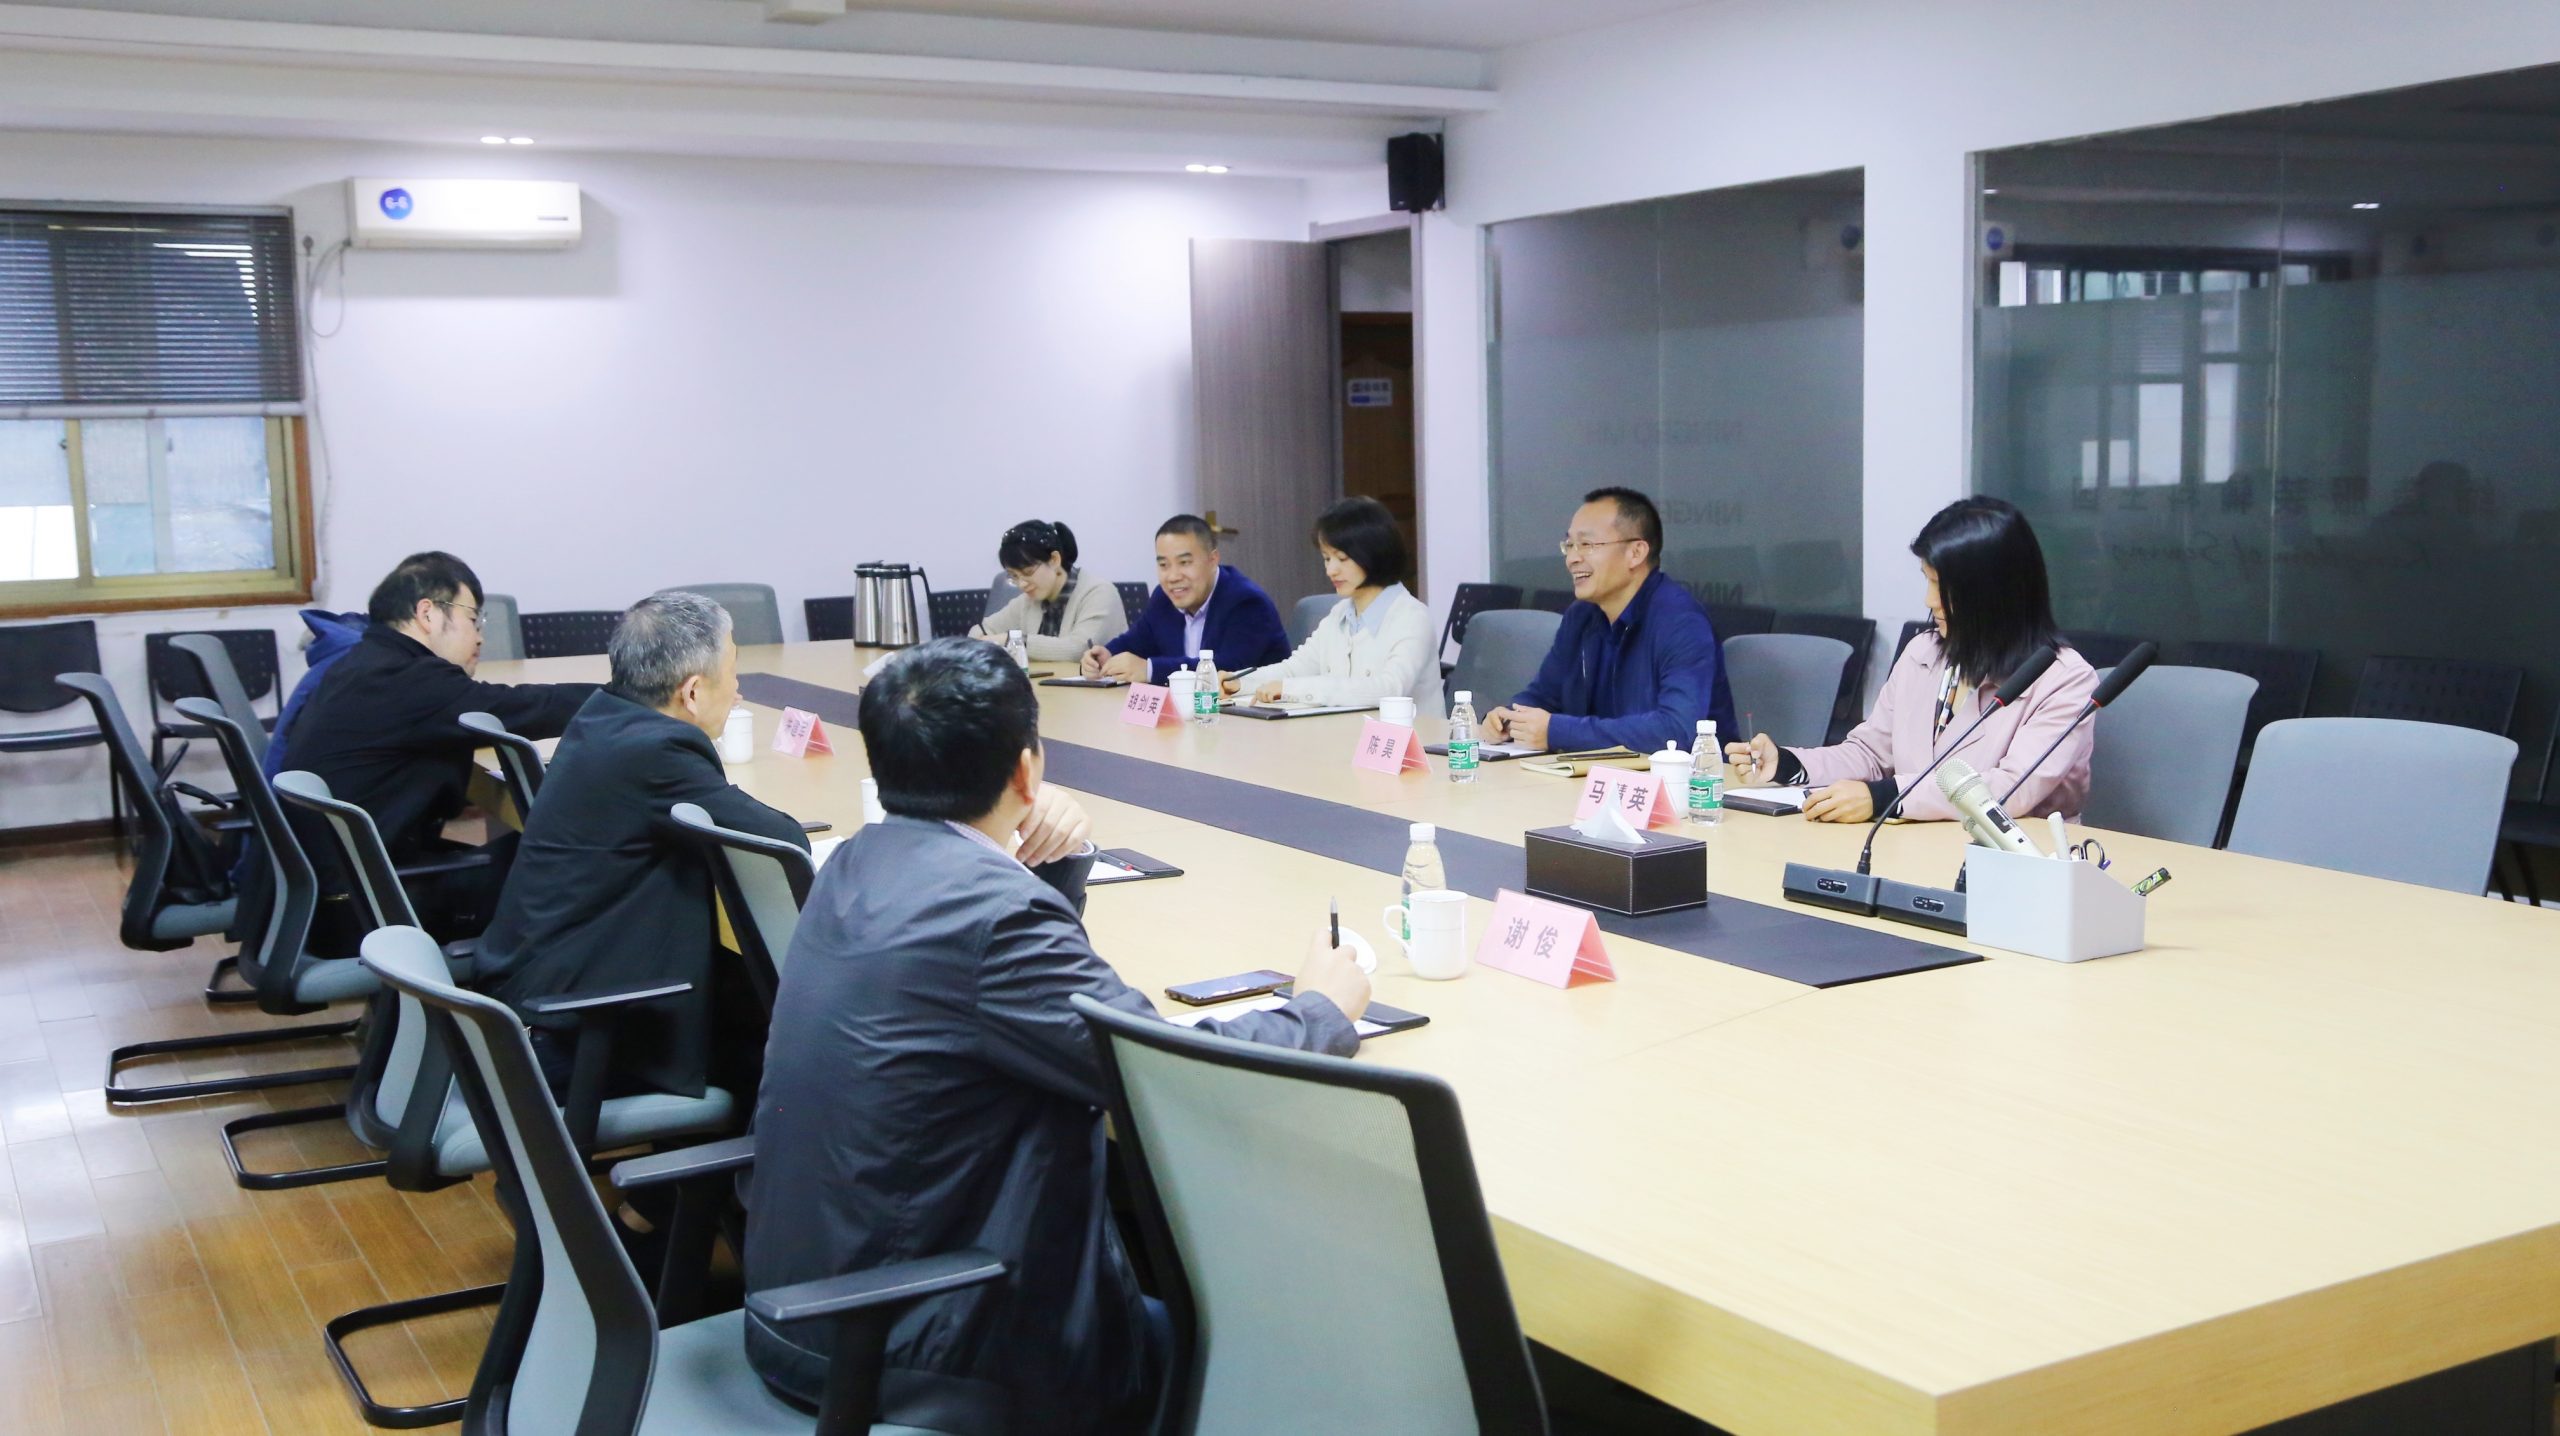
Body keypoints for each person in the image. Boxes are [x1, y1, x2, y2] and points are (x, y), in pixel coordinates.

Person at [744, 639, 1370, 1433]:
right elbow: (1161, 1077)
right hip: (929, 1345)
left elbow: (999, 994)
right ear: (1026, 769)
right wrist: (1320, 1010)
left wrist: (1056, 859)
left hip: (816, 1310)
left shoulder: (854, 862)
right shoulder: (995, 917)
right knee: (1271, 1368)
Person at [475, 592, 807, 1101]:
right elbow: (781, 841)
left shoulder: (604, 716)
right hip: (574, 1033)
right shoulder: (658, 749)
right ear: (692, 692)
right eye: (733, 674)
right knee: (792, 1046)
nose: (738, 691)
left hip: (539, 994)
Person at [283, 552, 596, 952]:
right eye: (472, 619)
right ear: (428, 614)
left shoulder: (365, 664)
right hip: (368, 912)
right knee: (577, 860)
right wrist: (628, 695)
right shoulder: (408, 679)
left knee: (536, 846)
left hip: (336, 895)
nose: (479, 637)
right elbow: (520, 708)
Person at [1725, 496, 2095, 823]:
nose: (1929, 601)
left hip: (2014, 861)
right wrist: (1789, 764)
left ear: (1992, 594)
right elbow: (1870, 754)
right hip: (1911, 848)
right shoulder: (1925, 652)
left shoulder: (2064, 679)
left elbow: (2011, 788)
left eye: (1943, 587)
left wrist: (1886, 797)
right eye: (1928, 581)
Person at [1485, 486, 1738, 753]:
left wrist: (1556, 731)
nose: (1572, 558)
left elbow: (1677, 730)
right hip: (1596, 772)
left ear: (1636, 553)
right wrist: (1507, 719)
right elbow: (1544, 696)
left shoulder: (1681, 622)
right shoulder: (1581, 615)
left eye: (1587, 545)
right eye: (1569, 545)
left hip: (1687, 777)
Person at [1229, 496, 1444, 717]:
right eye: (1326, 558)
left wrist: (1290, 690)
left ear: (1374, 553)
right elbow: (1295, 668)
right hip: (1347, 733)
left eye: (1342, 558)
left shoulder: (1412, 617)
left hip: (1410, 737)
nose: (1331, 570)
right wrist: (1238, 683)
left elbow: (1389, 688)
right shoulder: (1340, 613)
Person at [1080, 514, 1289, 683]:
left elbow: (1229, 669)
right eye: (1164, 565)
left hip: (1253, 715)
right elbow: (1135, 641)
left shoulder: (1247, 602)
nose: (1173, 577)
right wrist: (1104, 656)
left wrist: (1150, 670)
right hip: (1193, 714)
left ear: (1213, 560)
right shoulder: (1163, 597)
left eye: (1185, 563)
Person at [970, 520, 1128, 662]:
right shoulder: (1028, 601)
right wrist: (985, 640)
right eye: (1014, 576)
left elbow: (1078, 649)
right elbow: (980, 631)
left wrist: (1013, 640)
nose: (1022, 584)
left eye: (1028, 572)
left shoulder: (1099, 593)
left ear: (1054, 560)